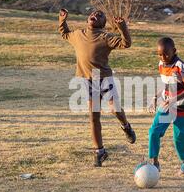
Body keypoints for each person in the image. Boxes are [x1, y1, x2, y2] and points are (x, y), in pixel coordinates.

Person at [58, 9, 136, 167]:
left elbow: (126, 43)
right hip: (88, 81)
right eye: (93, 13)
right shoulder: (78, 34)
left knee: (115, 109)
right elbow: (65, 33)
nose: (95, 15)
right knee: (94, 117)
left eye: (100, 15)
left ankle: (126, 126)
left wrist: (122, 27)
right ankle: (99, 152)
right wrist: (62, 20)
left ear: (103, 24)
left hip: (104, 79)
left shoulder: (105, 37)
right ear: (87, 19)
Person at [148, 37, 184, 175]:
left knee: (180, 137)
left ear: (174, 51)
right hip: (167, 105)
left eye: (166, 54)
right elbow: (166, 84)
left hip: (183, 107)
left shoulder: (180, 66)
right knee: (154, 132)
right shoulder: (161, 64)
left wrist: (174, 99)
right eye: (160, 54)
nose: (163, 57)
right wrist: (155, 97)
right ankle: (154, 163)